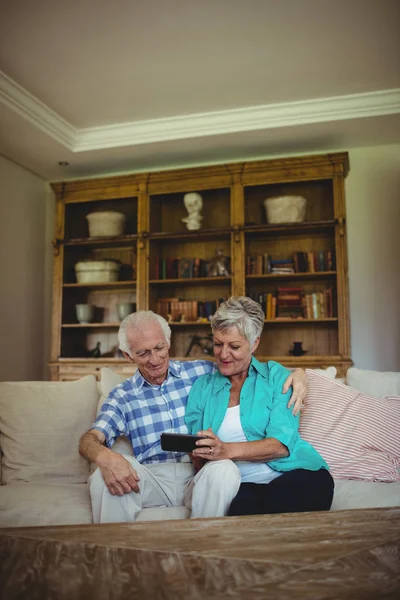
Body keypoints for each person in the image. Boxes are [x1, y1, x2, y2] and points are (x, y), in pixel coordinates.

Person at [79, 309, 307, 523]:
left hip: (199, 473)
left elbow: (250, 367)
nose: (155, 359)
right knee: (103, 476)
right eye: (143, 353)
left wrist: (300, 374)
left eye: (159, 348)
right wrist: (104, 457)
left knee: (225, 468)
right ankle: (113, 559)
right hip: (151, 478)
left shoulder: (203, 372)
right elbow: (90, 439)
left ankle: (204, 555)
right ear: (128, 356)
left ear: (168, 343)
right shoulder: (122, 396)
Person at [185, 297, 334, 516]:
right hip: (238, 484)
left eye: (234, 346)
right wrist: (199, 454)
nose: (223, 354)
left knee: (306, 489)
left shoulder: (278, 378)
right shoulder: (202, 388)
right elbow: (197, 455)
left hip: (293, 473)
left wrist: (225, 450)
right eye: (218, 344)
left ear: (254, 343)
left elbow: (280, 445)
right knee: (242, 508)